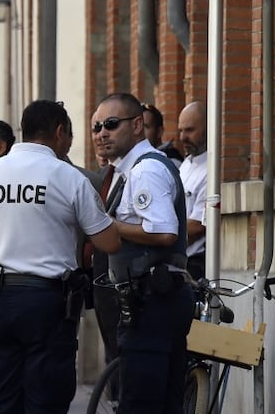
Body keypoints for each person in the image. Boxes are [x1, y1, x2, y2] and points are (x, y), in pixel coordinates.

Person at [0, 100, 121, 414]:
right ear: (60, 132)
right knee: (46, 400)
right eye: (70, 136)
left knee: (2, 400)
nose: (70, 144)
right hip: (48, 305)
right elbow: (109, 242)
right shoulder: (70, 178)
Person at [92, 92, 196, 414]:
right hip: (152, 300)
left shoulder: (145, 170)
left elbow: (164, 233)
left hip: (152, 300)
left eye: (111, 124)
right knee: (161, 402)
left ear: (137, 125)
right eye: (96, 127)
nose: (101, 133)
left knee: (141, 402)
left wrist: (110, 226)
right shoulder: (132, 171)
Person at [177, 101, 208, 281]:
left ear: (207, 128)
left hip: (195, 265)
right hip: (177, 261)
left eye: (189, 130)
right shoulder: (185, 165)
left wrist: (160, 232)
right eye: (181, 130)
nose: (182, 137)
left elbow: (198, 226)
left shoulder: (212, 169)